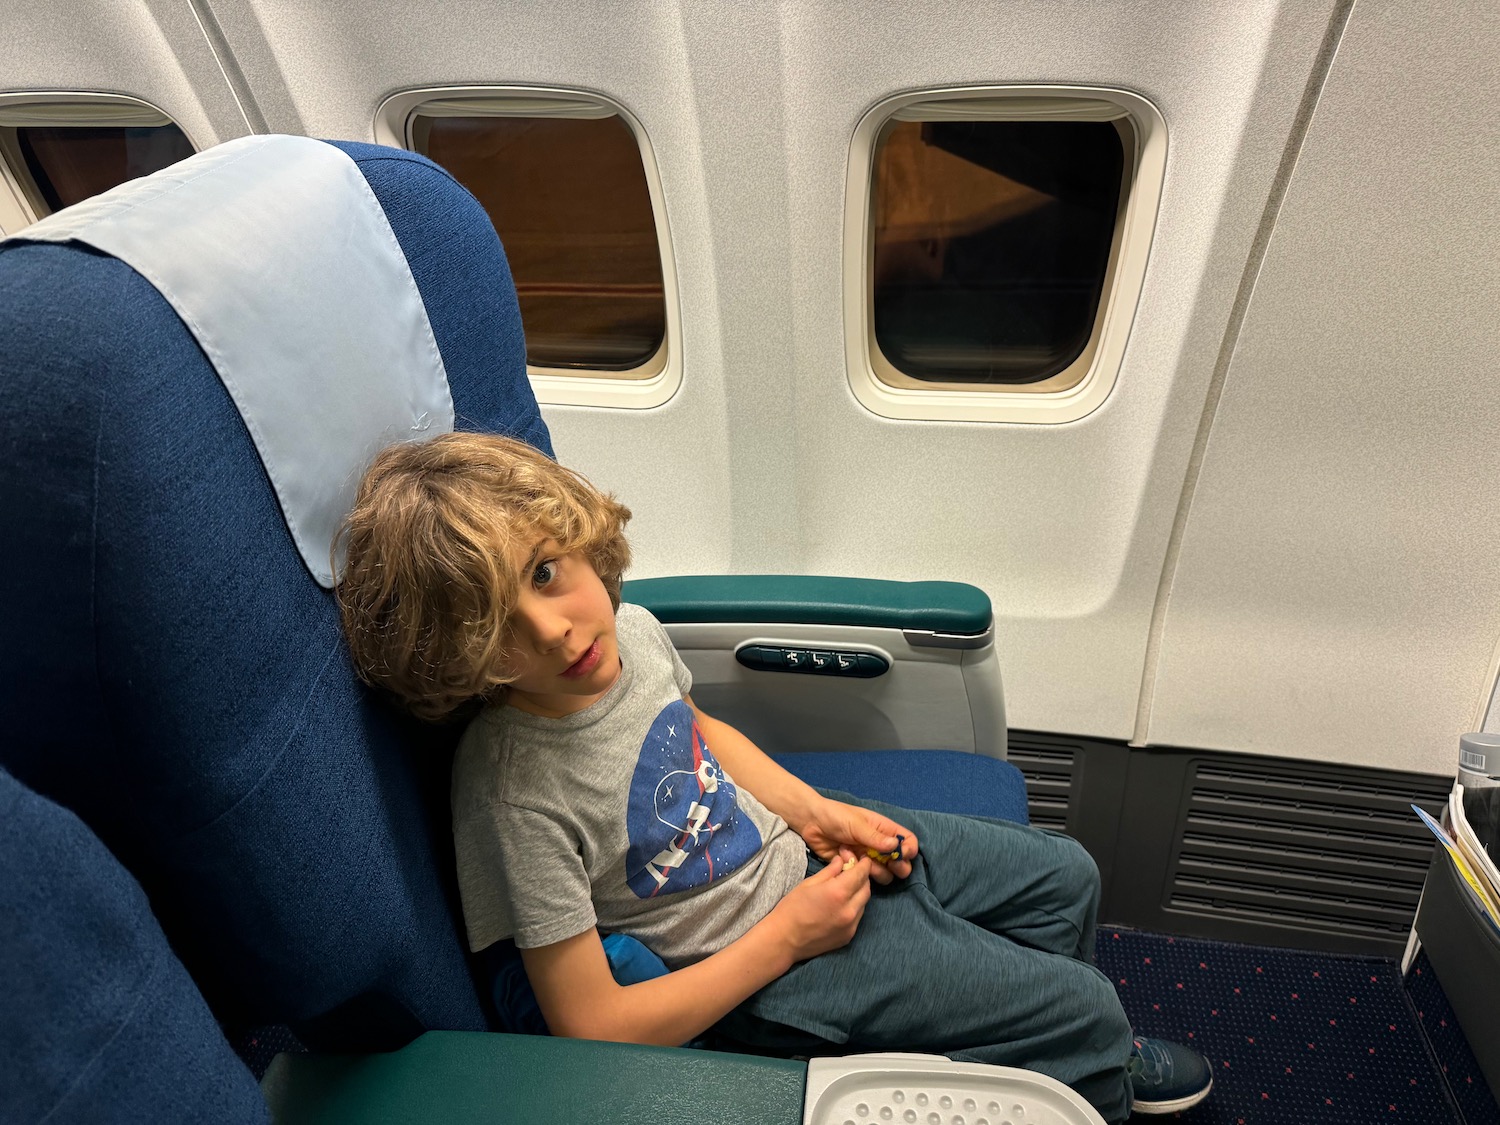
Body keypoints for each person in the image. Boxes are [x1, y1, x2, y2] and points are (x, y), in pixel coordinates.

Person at [336, 431, 1213, 1122]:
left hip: (791, 847)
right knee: (1089, 1010)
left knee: (1069, 878)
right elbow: (589, 1024)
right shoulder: (511, 792)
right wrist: (791, 935)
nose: (558, 632)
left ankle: (1026, 1056)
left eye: (544, 572)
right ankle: (1087, 1062)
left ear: (571, 534)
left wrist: (813, 810)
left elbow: (695, 729)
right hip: (762, 958)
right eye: (499, 626)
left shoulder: (632, 631)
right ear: (465, 663)